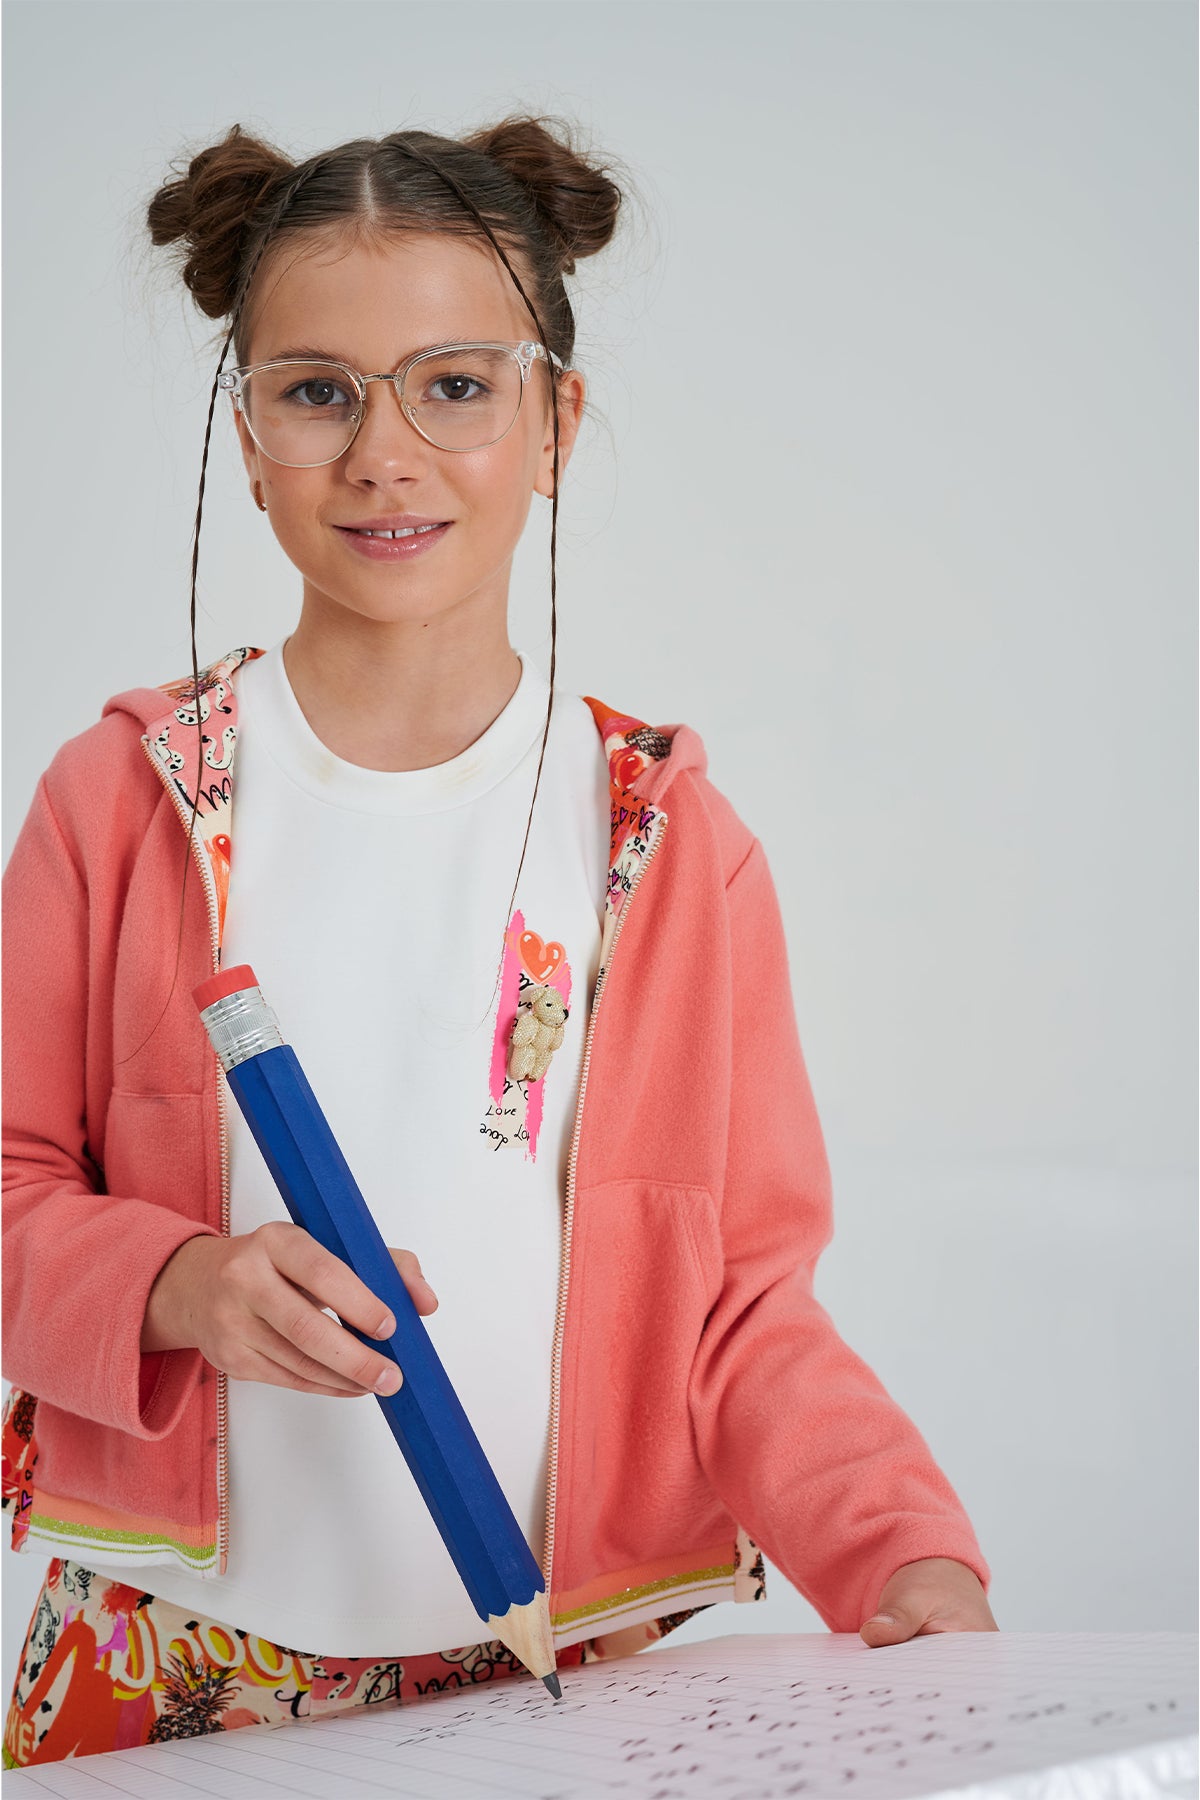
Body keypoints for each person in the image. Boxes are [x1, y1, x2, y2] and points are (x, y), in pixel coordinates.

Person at [1, 114, 996, 1768]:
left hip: (558, 1677)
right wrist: (179, 1284)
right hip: (167, 1664)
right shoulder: (125, 799)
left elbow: (745, 1303)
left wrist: (909, 1554)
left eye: (456, 384)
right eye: (317, 390)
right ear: (244, 437)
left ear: (556, 421)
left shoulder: (661, 841)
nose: (384, 451)